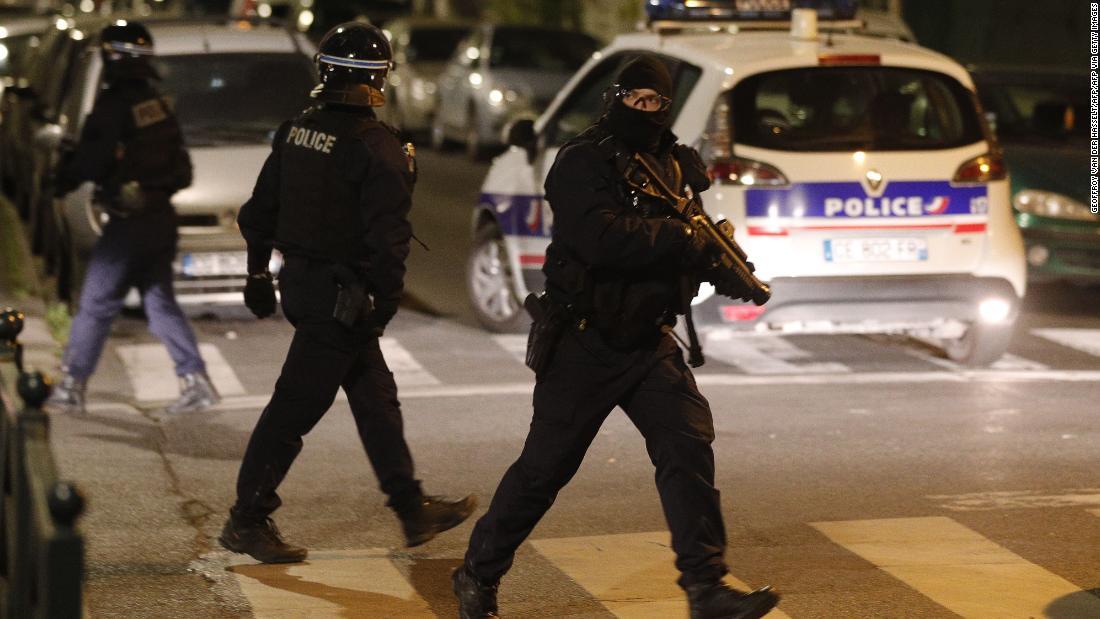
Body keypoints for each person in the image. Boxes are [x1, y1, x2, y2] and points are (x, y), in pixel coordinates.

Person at [452, 55, 780, 619]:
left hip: (648, 341)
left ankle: (705, 588)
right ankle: (478, 572)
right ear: (616, 99)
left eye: (656, 102)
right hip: (585, 339)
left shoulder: (674, 164)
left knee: (687, 446)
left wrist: (724, 270)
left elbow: (691, 236)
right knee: (544, 470)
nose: (646, 111)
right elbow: (600, 238)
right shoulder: (582, 161)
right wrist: (680, 241)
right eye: (638, 100)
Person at [218, 21, 474, 564]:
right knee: (294, 410)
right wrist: (383, 304)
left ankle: (410, 509)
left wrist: (258, 274)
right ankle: (246, 519)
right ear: (378, 79)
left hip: (306, 287)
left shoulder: (296, 132)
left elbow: (258, 213)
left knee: (376, 399)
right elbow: (389, 240)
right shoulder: (379, 149)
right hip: (343, 299)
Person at [46, 20, 219, 417]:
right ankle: (196, 381)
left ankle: (72, 384)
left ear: (112, 59)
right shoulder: (157, 106)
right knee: (159, 302)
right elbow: (183, 172)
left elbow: (90, 159)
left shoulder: (113, 106)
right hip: (160, 220)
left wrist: (61, 180)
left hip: (129, 224)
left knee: (95, 303)